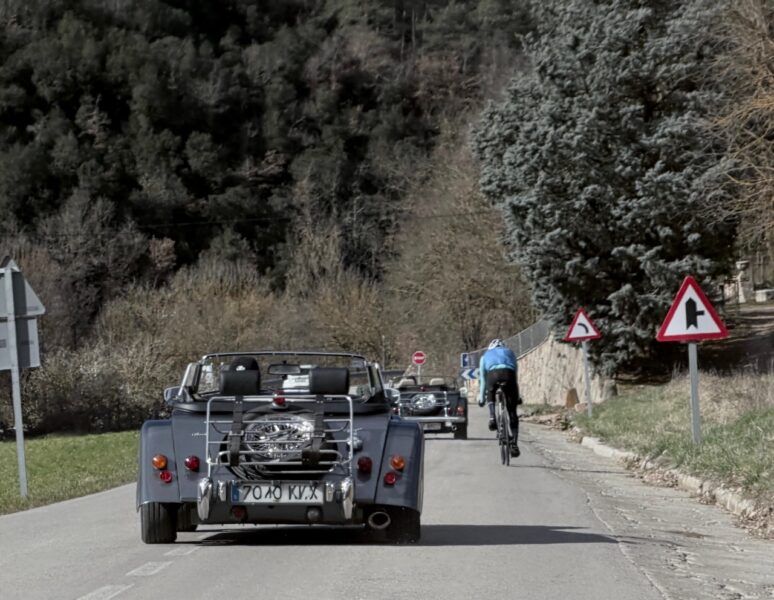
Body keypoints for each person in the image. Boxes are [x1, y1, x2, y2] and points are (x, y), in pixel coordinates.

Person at [477, 339, 521, 457]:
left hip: (493, 375)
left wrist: (481, 398)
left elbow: (483, 380)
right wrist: (518, 397)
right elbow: (515, 377)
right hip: (508, 375)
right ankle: (514, 445)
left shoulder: (485, 356)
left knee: (490, 391)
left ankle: (492, 417)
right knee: (512, 412)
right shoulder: (510, 353)